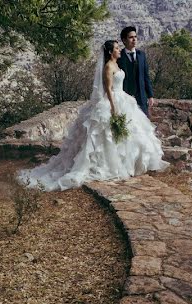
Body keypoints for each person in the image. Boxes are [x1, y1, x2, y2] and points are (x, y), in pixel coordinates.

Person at [18, 39, 167, 191]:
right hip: (114, 100)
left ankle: (130, 165)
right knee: (107, 136)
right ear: (110, 52)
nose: (119, 50)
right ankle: (110, 165)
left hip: (124, 98)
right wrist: (113, 107)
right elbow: (108, 88)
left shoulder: (117, 64)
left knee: (131, 133)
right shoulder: (109, 67)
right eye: (116, 48)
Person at [117, 26, 153, 115]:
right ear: (124, 40)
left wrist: (150, 95)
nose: (134, 39)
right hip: (124, 98)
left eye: (135, 37)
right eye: (131, 37)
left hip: (141, 98)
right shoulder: (118, 57)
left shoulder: (142, 55)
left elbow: (146, 76)